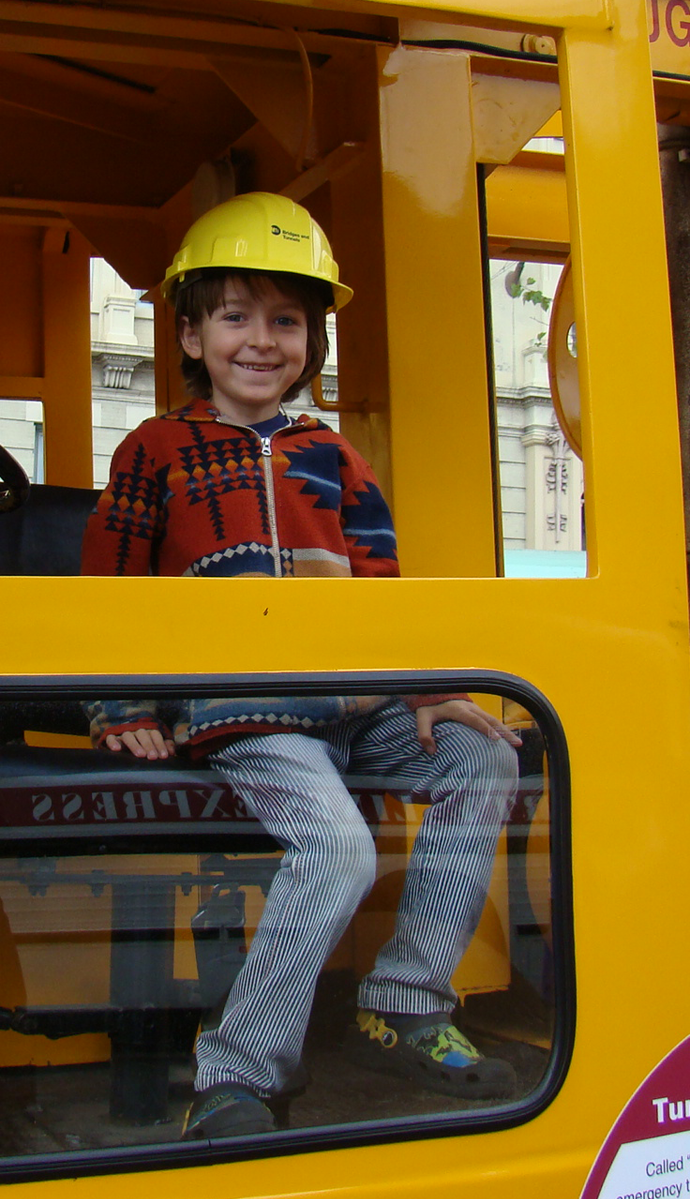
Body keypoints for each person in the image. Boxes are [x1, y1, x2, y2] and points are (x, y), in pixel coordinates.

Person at [79, 191, 523, 1139]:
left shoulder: (335, 457)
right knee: (340, 846)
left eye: (285, 320)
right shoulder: (155, 451)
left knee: (483, 757)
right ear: (192, 335)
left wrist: (429, 692)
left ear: (310, 341)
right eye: (235, 316)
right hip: (253, 713)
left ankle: (405, 999)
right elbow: (107, 589)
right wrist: (124, 703)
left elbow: (383, 585)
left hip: (352, 706)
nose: (261, 340)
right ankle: (237, 1074)